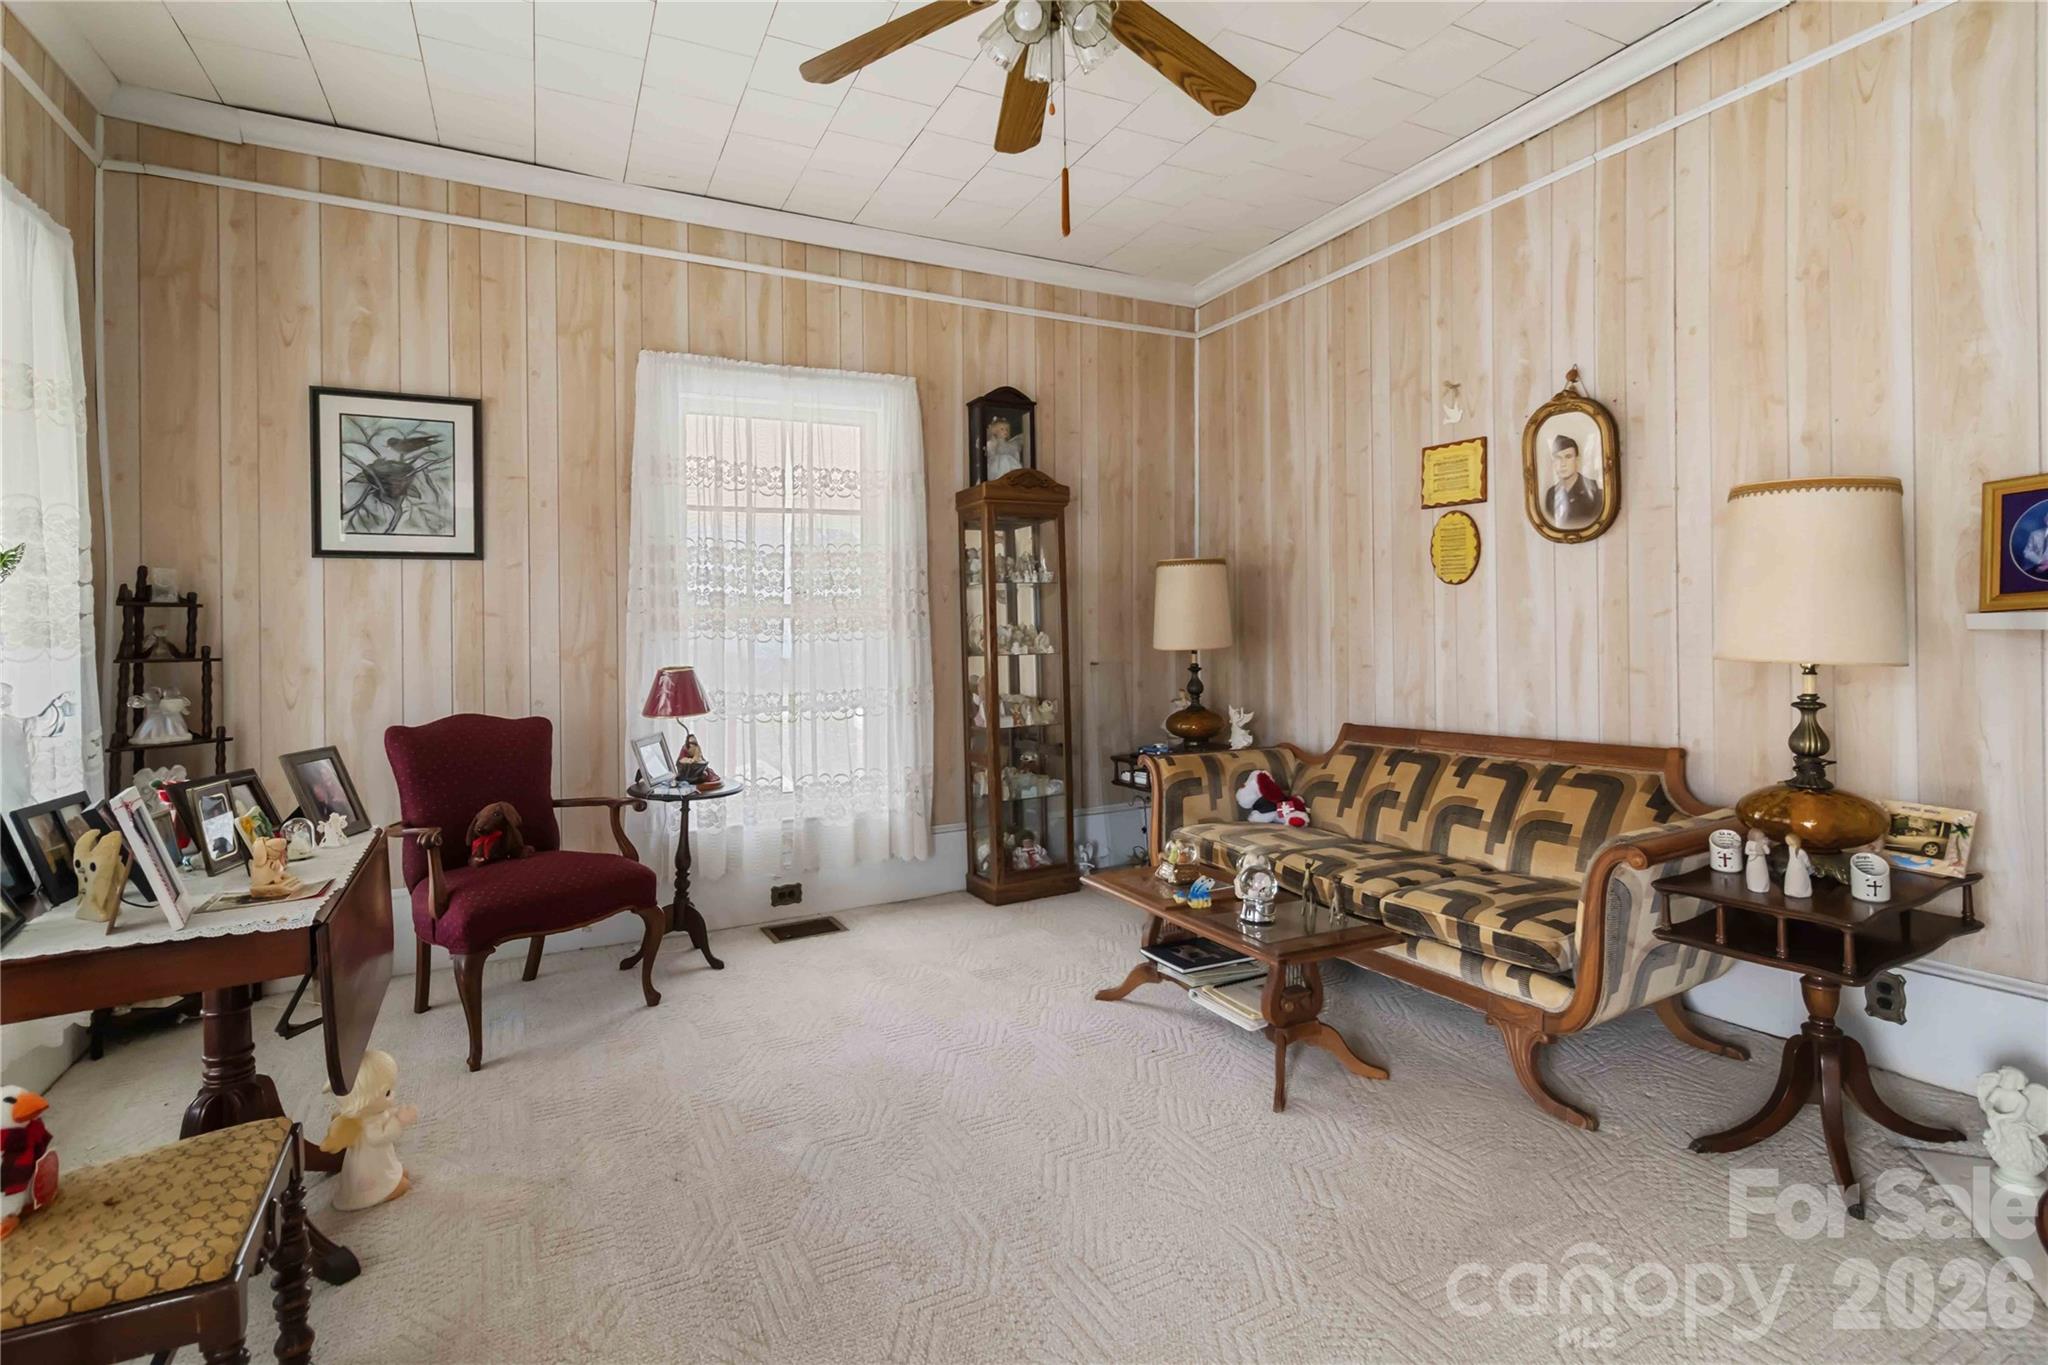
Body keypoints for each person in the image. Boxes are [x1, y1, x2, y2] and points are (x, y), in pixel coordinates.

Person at [1542, 432, 1603, 530]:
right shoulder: (1551, 494)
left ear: (1577, 460)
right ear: (1553, 463)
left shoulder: (1595, 490)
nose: (1563, 464)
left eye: (1568, 457)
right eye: (1558, 458)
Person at [984, 414, 1026, 479]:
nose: (1005, 431)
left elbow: (1015, 456)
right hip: (996, 468)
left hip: (1011, 468)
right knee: (1004, 460)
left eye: (1007, 429)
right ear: (995, 431)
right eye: (1002, 429)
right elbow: (990, 455)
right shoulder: (992, 443)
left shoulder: (1011, 445)